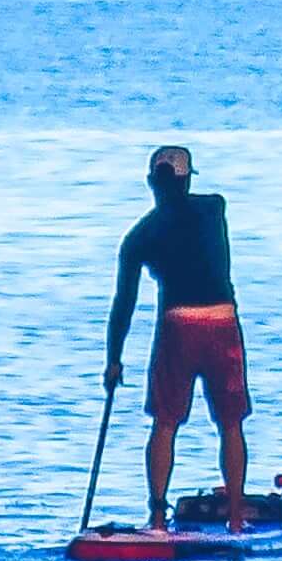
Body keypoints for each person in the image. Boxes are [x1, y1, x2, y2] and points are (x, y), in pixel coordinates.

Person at [105, 143, 250, 532]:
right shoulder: (213, 209)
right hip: (222, 323)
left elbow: (125, 302)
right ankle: (235, 517)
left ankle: (156, 517)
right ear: (186, 179)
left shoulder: (139, 236)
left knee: (165, 423)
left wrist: (114, 359)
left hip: (177, 328)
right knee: (231, 422)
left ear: (151, 181)